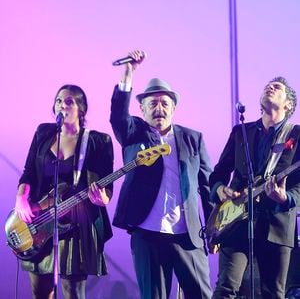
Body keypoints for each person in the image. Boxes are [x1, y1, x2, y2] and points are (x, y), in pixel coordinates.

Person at [110, 50, 213, 299]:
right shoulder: (134, 133)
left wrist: (214, 227)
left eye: (164, 103)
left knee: (202, 294)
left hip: (187, 233)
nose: (159, 109)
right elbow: (117, 116)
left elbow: (207, 185)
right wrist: (129, 72)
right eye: (152, 103)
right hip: (148, 232)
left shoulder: (192, 138)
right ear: (142, 108)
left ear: (174, 108)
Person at [14, 84, 114, 299]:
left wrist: (103, 198)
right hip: (40, 222)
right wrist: (21, 197)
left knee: (73, 294)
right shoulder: (43, 133)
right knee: (40, 292)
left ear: (81, 108)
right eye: (58, 101)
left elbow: (107, 189)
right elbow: (29, 171)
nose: (62, 105)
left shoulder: (98, 141)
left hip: (76, 225)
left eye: (68, 101)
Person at [209, 76, 300, 298]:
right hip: (236, 221)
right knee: (226, 289)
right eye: (267, 85)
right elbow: (218, 173)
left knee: (273, 293)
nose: (270, 86)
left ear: (288, 104)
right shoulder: (241, 131)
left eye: (277, 87)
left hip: (276, 225)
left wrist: (285, 197)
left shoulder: (296, 135)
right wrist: (221, 189)